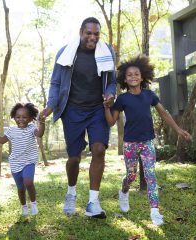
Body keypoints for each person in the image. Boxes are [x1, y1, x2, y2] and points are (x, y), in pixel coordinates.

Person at [39, 17, 116, 218]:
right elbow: (56, 82)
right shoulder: (66, 53)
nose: (93, 37)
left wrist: (110, 95)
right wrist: (50, 105)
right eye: (88, 33)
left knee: (99, 150)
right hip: (72, 110)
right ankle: (71, 192)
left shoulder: (107, 51)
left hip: (97, 109)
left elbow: (111, 81)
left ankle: (93, 203)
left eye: (96, 34)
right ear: (81, 32)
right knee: (74, 157)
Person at [104, 55, 191, 225]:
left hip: (148, 142)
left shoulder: (149, 95)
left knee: (151, 176)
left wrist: (179, 130)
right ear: (125, 78)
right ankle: (124, 191)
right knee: (131, 175)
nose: (133, 77)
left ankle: (155, 211)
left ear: (142, 76)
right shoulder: (122, 99)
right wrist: (107, 107)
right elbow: (111, 121)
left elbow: (164, 113)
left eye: (136, 74)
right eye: (129, 75)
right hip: (130, 144)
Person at [0, 103, 45, 216]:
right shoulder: (11, 130)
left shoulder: (32, 128)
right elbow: (2, 140)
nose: (21, 119)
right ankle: (24, 207)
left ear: (30, 118)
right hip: (15, 163)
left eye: (24, 117)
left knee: (28, 182)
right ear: (14, 117)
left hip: (29, 161)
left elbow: (40, 134)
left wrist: (42, 123)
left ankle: (33, 203)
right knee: (21, 188)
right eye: (18, 117)